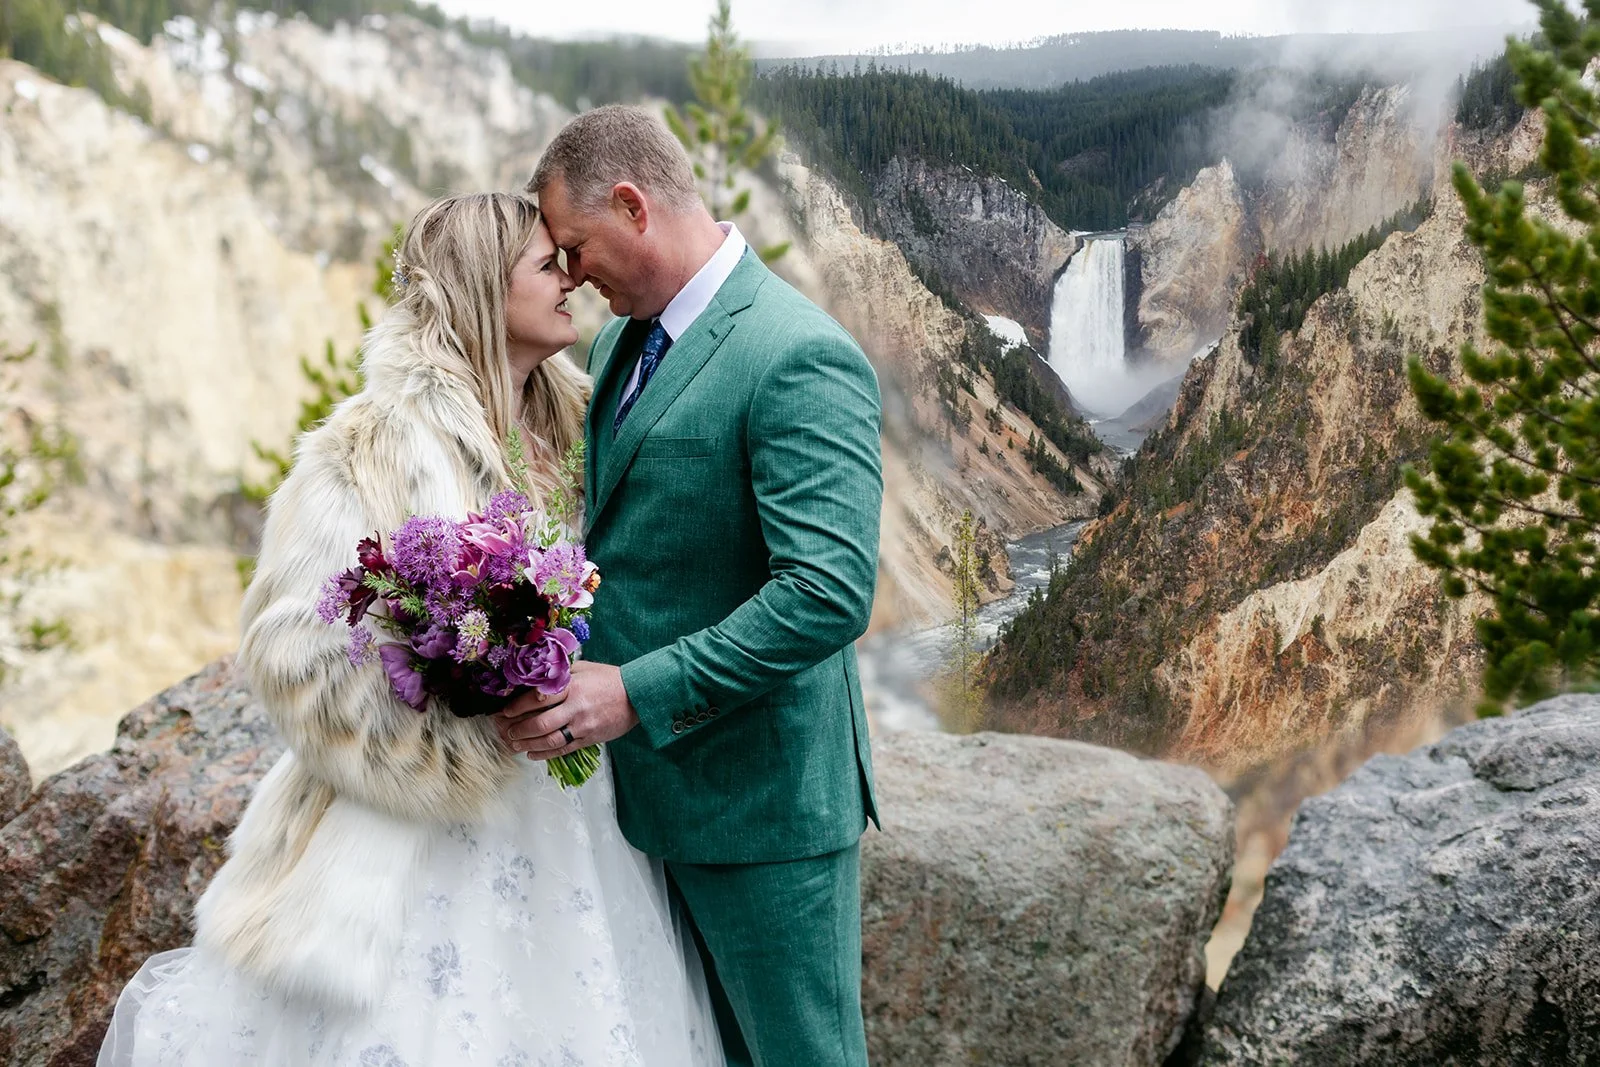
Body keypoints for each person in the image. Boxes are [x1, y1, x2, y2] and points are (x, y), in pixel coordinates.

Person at [97, 193, 722, 1066]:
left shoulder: (597, 429)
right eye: (549, 265)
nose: (572, 277)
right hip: (416, 833)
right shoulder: (369, 447)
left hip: (583, 802)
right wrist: (448, 698)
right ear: (479, 290)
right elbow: (289, 649)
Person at [497, 105, 883, 1067]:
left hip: (764, 807)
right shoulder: (623, 346)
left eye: (577, 248)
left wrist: (633, 691)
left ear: (632, 206)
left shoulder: (797, 353)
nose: (572, 277)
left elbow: (828, 592)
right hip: (649, 799)